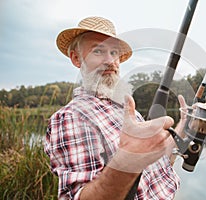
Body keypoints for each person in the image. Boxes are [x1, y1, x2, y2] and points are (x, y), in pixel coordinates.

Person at [44, 16, 187, 200]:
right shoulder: (72, 118)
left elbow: (157, 164)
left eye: (114, 53)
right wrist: (128, 160)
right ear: (76, 58)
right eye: (98, 51)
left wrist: (185, 125)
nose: (110, 61)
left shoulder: (126, 108)